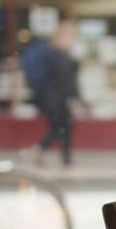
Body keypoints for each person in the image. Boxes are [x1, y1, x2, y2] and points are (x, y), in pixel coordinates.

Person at [26, 19, 82, 166]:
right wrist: (74, 97)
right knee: (62, 128)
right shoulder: (59, 54)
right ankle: (40, 150)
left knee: (63, 128)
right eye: (71, 35)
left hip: (52, 99)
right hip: (56, 100)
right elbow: (66, 80)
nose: (73, 39)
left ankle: (64, 158)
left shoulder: (54, 53)